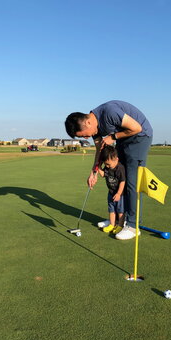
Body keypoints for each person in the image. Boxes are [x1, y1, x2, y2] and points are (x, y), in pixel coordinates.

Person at [65, 100, 153, 240]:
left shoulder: (109, 112)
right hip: (124, 139)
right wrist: (93, 172)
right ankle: (119, 220)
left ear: (87, 122)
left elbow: (136, 128)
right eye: (82, 137)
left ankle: (132, 225)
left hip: (139, 138)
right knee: (118, 177)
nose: (86, 138)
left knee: (131, 182)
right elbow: (100, 149)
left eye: (84, 135)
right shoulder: (94, 129)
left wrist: (112, 137)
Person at [98, 145, 125, 235]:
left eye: (108, 164)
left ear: (116, 159)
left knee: (120, 211)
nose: (107, 166)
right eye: (106, 164)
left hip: (119, 195)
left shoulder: (120, 168)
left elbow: (122, 181)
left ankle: (120, 225)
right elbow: (103, 175)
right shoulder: (108, 167)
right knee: (111, 210)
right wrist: (98, 167)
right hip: (110, 192)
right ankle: (112, 224)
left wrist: (118, 193)